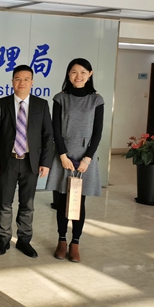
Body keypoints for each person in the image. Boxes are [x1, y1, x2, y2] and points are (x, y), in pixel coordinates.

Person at [0, 65, 53, 258]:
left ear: (32, 82)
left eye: (26, 79)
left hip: (30, 162)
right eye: (18, 79)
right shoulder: (1, 103)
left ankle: (24, 240)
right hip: (7, 161)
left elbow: (47, 136)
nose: (22, 82)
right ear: (12, 82)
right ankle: (4, 239)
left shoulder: (41, 105)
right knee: (5, 203)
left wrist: (46, 162)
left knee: (27, 204)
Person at [45, 58, 104, 263]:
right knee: (61, 200)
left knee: (80, 201)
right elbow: (55, 130)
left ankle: (75, 243)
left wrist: (87, 159)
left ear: (90, 74)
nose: (78, 76)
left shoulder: (97, 100)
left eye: (82, 72)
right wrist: (62, 155)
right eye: (73, 72)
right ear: (68, 74)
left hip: (85, 158)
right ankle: (62, 241)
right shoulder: (60, 98)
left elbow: (97, 133)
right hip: (63, 156)